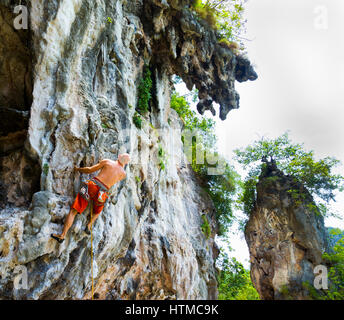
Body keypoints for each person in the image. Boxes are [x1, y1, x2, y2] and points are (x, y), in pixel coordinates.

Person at [51, 153, 130, 243]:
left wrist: (78, 169)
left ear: (119, 156)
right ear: (126, 163)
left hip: (93, 185)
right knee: (98, 211)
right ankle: (89, 225)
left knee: (73, 211)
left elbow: (90, 170)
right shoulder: (123, 174)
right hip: (102, 193)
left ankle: (62, 235)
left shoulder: (108, 162)